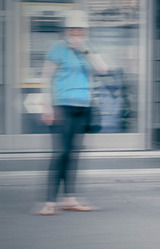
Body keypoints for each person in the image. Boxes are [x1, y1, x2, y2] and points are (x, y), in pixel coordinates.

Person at [39, 10, 108, 215]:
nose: (76, 34)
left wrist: (85, 50)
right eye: (73, 30)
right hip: (61, 106)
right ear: (66, 30)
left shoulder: (88, 49)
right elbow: (46, 78)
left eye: (80, 30)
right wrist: (46, 106)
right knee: (61, 153)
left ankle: (69, 198)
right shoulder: (57, 48)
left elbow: (103, 69)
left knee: (74, 154)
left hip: (83, 106)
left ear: (85, 31)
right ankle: (50, 202)